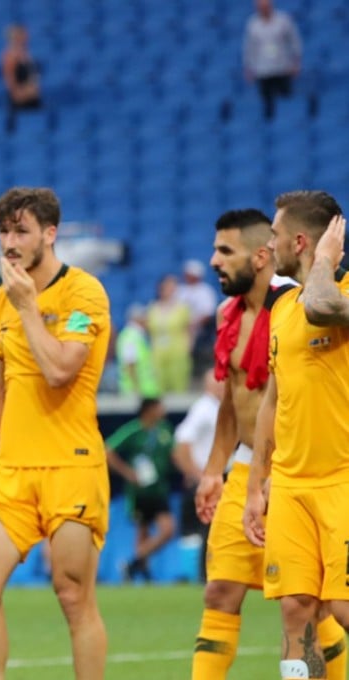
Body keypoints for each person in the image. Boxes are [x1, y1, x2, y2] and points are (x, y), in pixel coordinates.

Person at [0, 187, 111, 680]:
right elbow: (2, 386)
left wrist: (27, 307)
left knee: (71, 594)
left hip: (71, 462)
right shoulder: (1, 299)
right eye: (3, 230)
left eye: (20, 230)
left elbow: (61, 370)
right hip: (12, 470)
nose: (9, 241)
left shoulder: (84, 293)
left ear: (50, 233)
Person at [190, 207, 339, 678]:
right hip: (248, 469)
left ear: (260, 256)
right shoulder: (227, 314)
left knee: (316, 607)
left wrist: (276, 474)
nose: (214, 260)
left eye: (224, 251)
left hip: (297, 469)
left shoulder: (297, 304)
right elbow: (234, 402)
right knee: (221, 591)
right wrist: (215, 470)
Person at [244, 192, 349, 680]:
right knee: (295, 608)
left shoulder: (341, 293)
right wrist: (257, 483)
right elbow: (274, 399)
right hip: (290, 483)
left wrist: (325, 261)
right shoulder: (281, 310)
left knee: (343, 608)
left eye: (277, 236)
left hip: (342, 479)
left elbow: (322, 305)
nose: (270, 245)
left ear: (302, 241)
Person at [105, 397, 176, 582]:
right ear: (149, 410)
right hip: (139, 492)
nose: (163, 410)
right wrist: (127, 473)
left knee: (167, 530)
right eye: (159, 406)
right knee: (142, 531)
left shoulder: (165, 430)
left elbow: (175, 454)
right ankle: (142, 571)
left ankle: (133, 563)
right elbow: (108, 450)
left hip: (159, 489)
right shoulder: (134, 430)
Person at [171, 369, 222, 582]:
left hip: (212, 475)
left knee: (211, 529)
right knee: (208, 529)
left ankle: (206, 574)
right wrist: (196, 474)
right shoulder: (204, 409)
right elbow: (182, 444)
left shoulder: (215, 408)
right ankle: (202, 575)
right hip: (207, 477)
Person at [242, 0, 302, 120]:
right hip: (263, 70)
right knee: (267, 103)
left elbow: (294, 41)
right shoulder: (253, 24)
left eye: (265, 6)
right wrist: (248, 67)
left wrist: (296, 62)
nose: (263, 9)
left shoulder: (283, 20)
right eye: (260, 7)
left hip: (282, 68)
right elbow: (249, 47)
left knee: (286, 101)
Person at [1, 24, 41, 132]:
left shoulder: (27, 55)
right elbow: (10, 81)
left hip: (33, 98)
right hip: (21, 101)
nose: (27, 37)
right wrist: (22, 93)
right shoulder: (9, 56)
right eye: (23, 35)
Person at [115, 302, 160, 398]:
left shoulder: (137, 336)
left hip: (146, 391)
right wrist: (136, 389)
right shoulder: (130, 337)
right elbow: (130, 364)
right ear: (139, 319)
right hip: (136, 392)